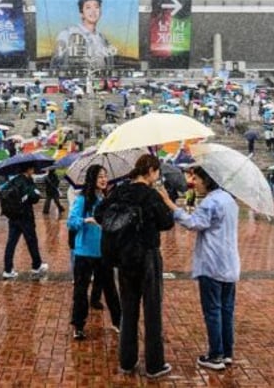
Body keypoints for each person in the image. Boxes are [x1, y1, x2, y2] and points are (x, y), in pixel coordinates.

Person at [95, 154, 174, 379]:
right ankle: (154, 364)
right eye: (156, 171)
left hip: (124, 257)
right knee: (152, 311)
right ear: (150, 170)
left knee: (128, 311)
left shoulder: (118, 191)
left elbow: (100, 215)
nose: (157, 176)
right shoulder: (150, 194)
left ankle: (127, 361)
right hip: (147, 255)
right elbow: (167, 223)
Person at [161, 165, 239, 371]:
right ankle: (227, 352)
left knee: (212, 310)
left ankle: (215, 355)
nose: (193, 183)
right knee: (226, 310)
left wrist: (170, 204)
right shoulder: (229, 199)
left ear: (208, 180)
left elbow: (194, 223)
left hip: (212, 263)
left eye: (196, 178)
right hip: (229, 263)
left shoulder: (211, 202)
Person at [67, 164, 121, 341]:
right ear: (92, 179)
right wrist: (86, 220)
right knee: (81, 291)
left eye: (105, 176)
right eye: (100, 177)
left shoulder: (107, 200)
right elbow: (71, 222)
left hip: (103, 252)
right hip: (84, 252)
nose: (104, 179)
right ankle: (79, 325)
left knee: (110, 289)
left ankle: (118, 321)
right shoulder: (83, 200)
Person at [2, 165, 49, 279]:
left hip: (13, 216)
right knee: (32, 241)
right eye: (32, 168)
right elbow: (34, 197)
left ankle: (8, 269)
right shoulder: (26, 181)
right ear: (28, 169)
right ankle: (36, 266)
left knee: (11, 243)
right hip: (25, 216)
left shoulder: (14, 180)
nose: (33, 170)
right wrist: (36, 193)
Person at [50, 0, 116, 70]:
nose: (93, 11)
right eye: (88, 8)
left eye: (96, 7)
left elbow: (109, 65)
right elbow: (56, 61)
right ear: (81, 14)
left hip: (99, 80)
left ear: (100, 12)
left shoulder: (103, 39)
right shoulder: (68, 33)